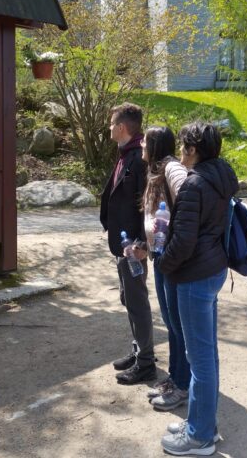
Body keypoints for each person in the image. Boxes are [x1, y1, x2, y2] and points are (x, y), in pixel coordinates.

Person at [156, 121, 238, 456]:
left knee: (199, 358)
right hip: (213, 269)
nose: (179, 153)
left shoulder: (194, 184)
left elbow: (185, 240)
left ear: (192, 150)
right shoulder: (222, 175)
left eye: (183, 147)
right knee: (207, 355)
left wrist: (162, 265)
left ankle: (199, 436)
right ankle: (203, 422)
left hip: (194, 276)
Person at [131, 126, 190, 411]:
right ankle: (176, 378)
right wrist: (147, 243)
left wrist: (172, 246)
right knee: (171, 322)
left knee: (178, 324)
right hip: (159, 254)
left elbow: (188, 199)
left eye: (144, 141)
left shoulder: (172, 169)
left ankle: (182, 385)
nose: (140, 144)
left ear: (154, 145)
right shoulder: (156, 172)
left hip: (171, 258)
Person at [99, 103, 155, 385]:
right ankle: (139, 350)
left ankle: (145, 363)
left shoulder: (139, 158)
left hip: (133, 245)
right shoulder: (127, 154)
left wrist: (141, 243)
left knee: (136, 300)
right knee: (128, 297)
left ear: (122, 127)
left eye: (111, 124)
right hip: (123, 244)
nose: (109, 128)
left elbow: (146, 205)